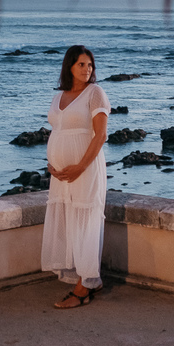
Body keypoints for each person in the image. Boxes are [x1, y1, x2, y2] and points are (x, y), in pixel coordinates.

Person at [41, 44, 110, 308]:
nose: (87, 69)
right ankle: (88, 278)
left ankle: (84, 288)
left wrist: (80, 166)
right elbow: (57, 131)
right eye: (81, 64)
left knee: (86, 221)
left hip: (86, 168)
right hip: (60, 175)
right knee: (70, 220)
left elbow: (100, 135)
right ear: (69, 66)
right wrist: (52, 164)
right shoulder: (59, 96)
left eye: (90, 65)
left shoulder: (96, 93)